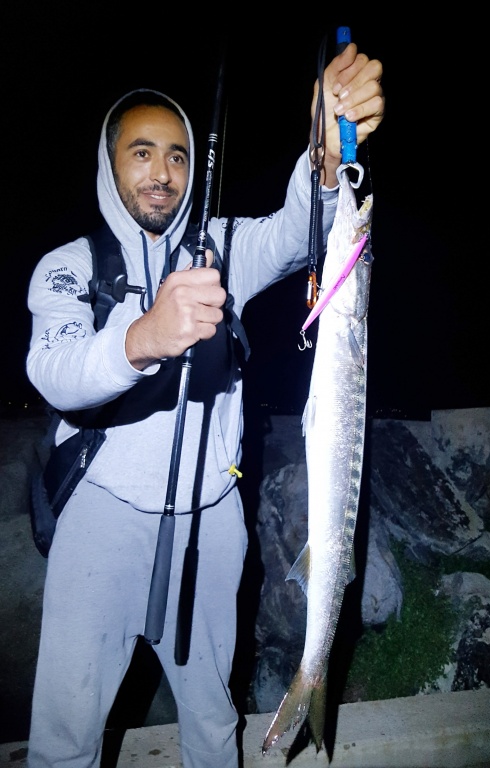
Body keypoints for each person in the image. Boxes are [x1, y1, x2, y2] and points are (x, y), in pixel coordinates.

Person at [25, 40, 384, 768]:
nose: (163, 172)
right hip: (101, 517)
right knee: (65, 739)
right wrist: (145, 336)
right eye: (142, 153)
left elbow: (296, 231)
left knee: (215, 726)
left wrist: (325, 152)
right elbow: (55, 371)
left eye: (179, 156)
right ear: (111, 163)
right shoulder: (68, 267)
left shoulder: (221, 247)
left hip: (212, 525)